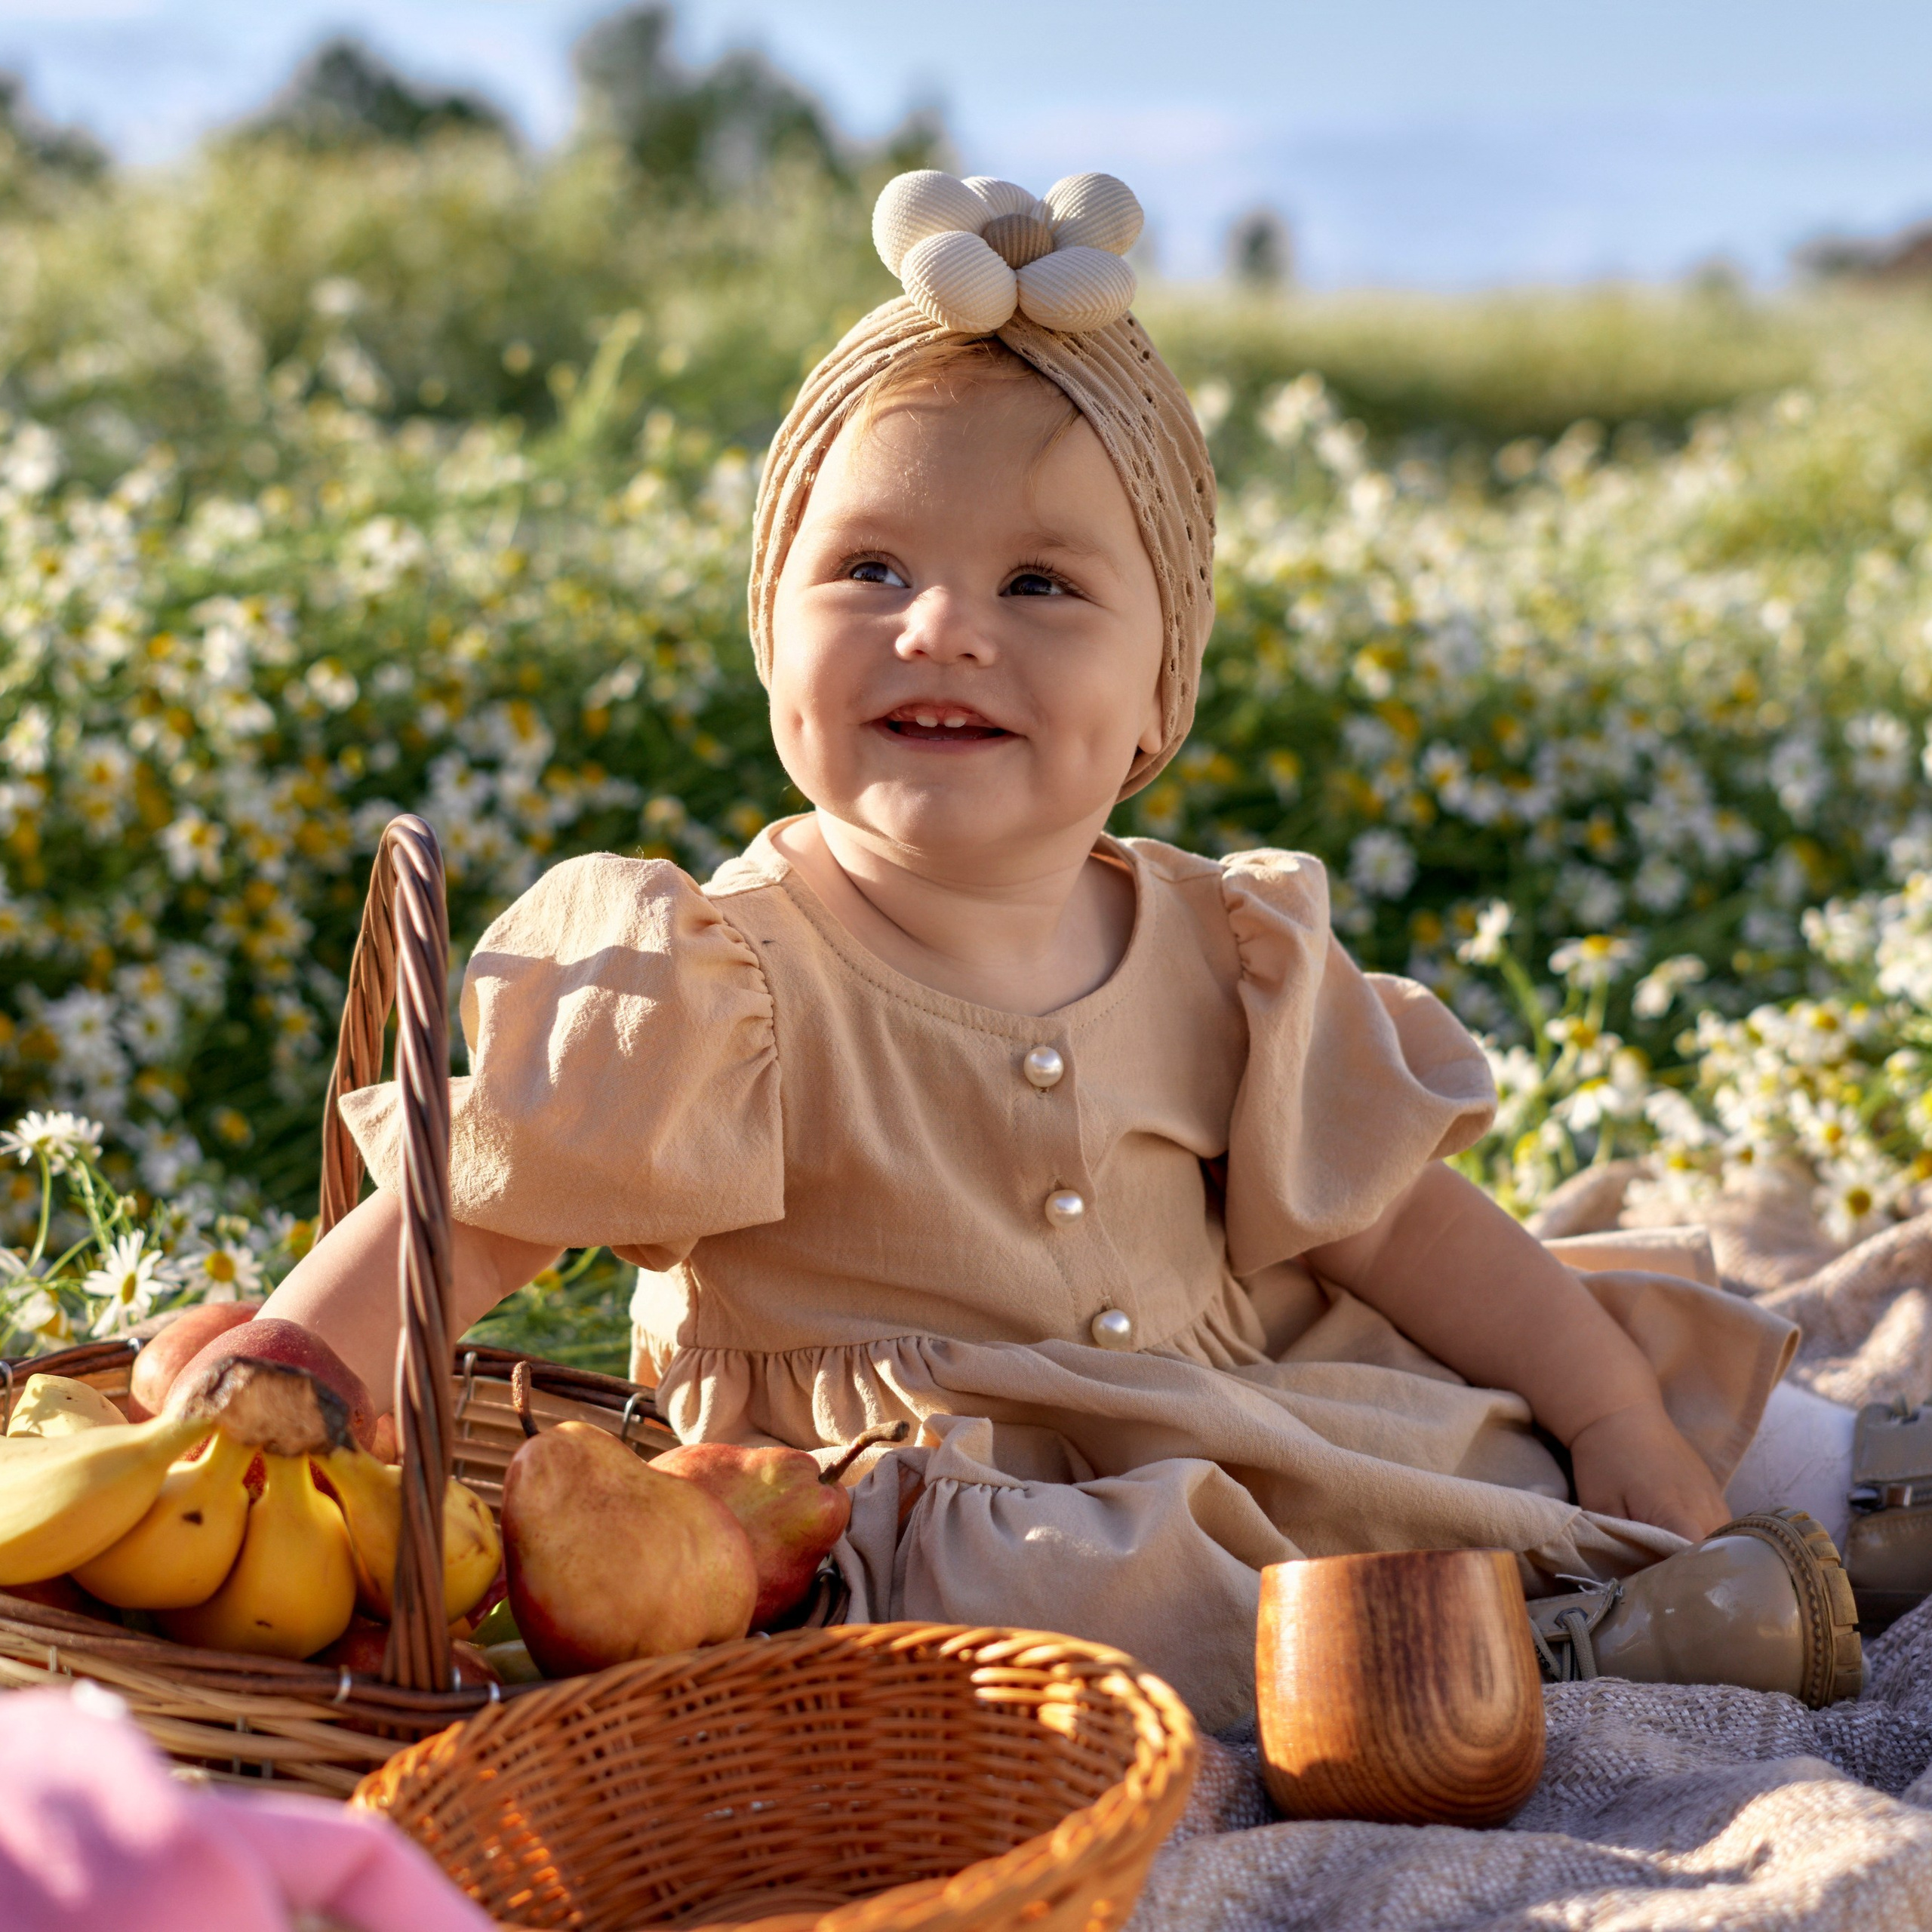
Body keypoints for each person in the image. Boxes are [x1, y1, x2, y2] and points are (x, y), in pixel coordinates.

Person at [263, 169, 1878, 1728]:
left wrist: (1600, 1406)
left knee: (1488, 1418)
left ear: (1157, 700)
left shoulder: (1207, 939)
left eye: (1037, 582)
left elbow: (1399, 1230)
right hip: (921, 1509)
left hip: (1246, 1404)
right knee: (1078, 1604)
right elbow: (466, 1219)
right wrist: (282, 1368)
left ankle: (1833, 1485)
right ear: (771, 629)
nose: (942, 625)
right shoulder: (714, 977)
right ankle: (1570, 1643)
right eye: (868, 568)